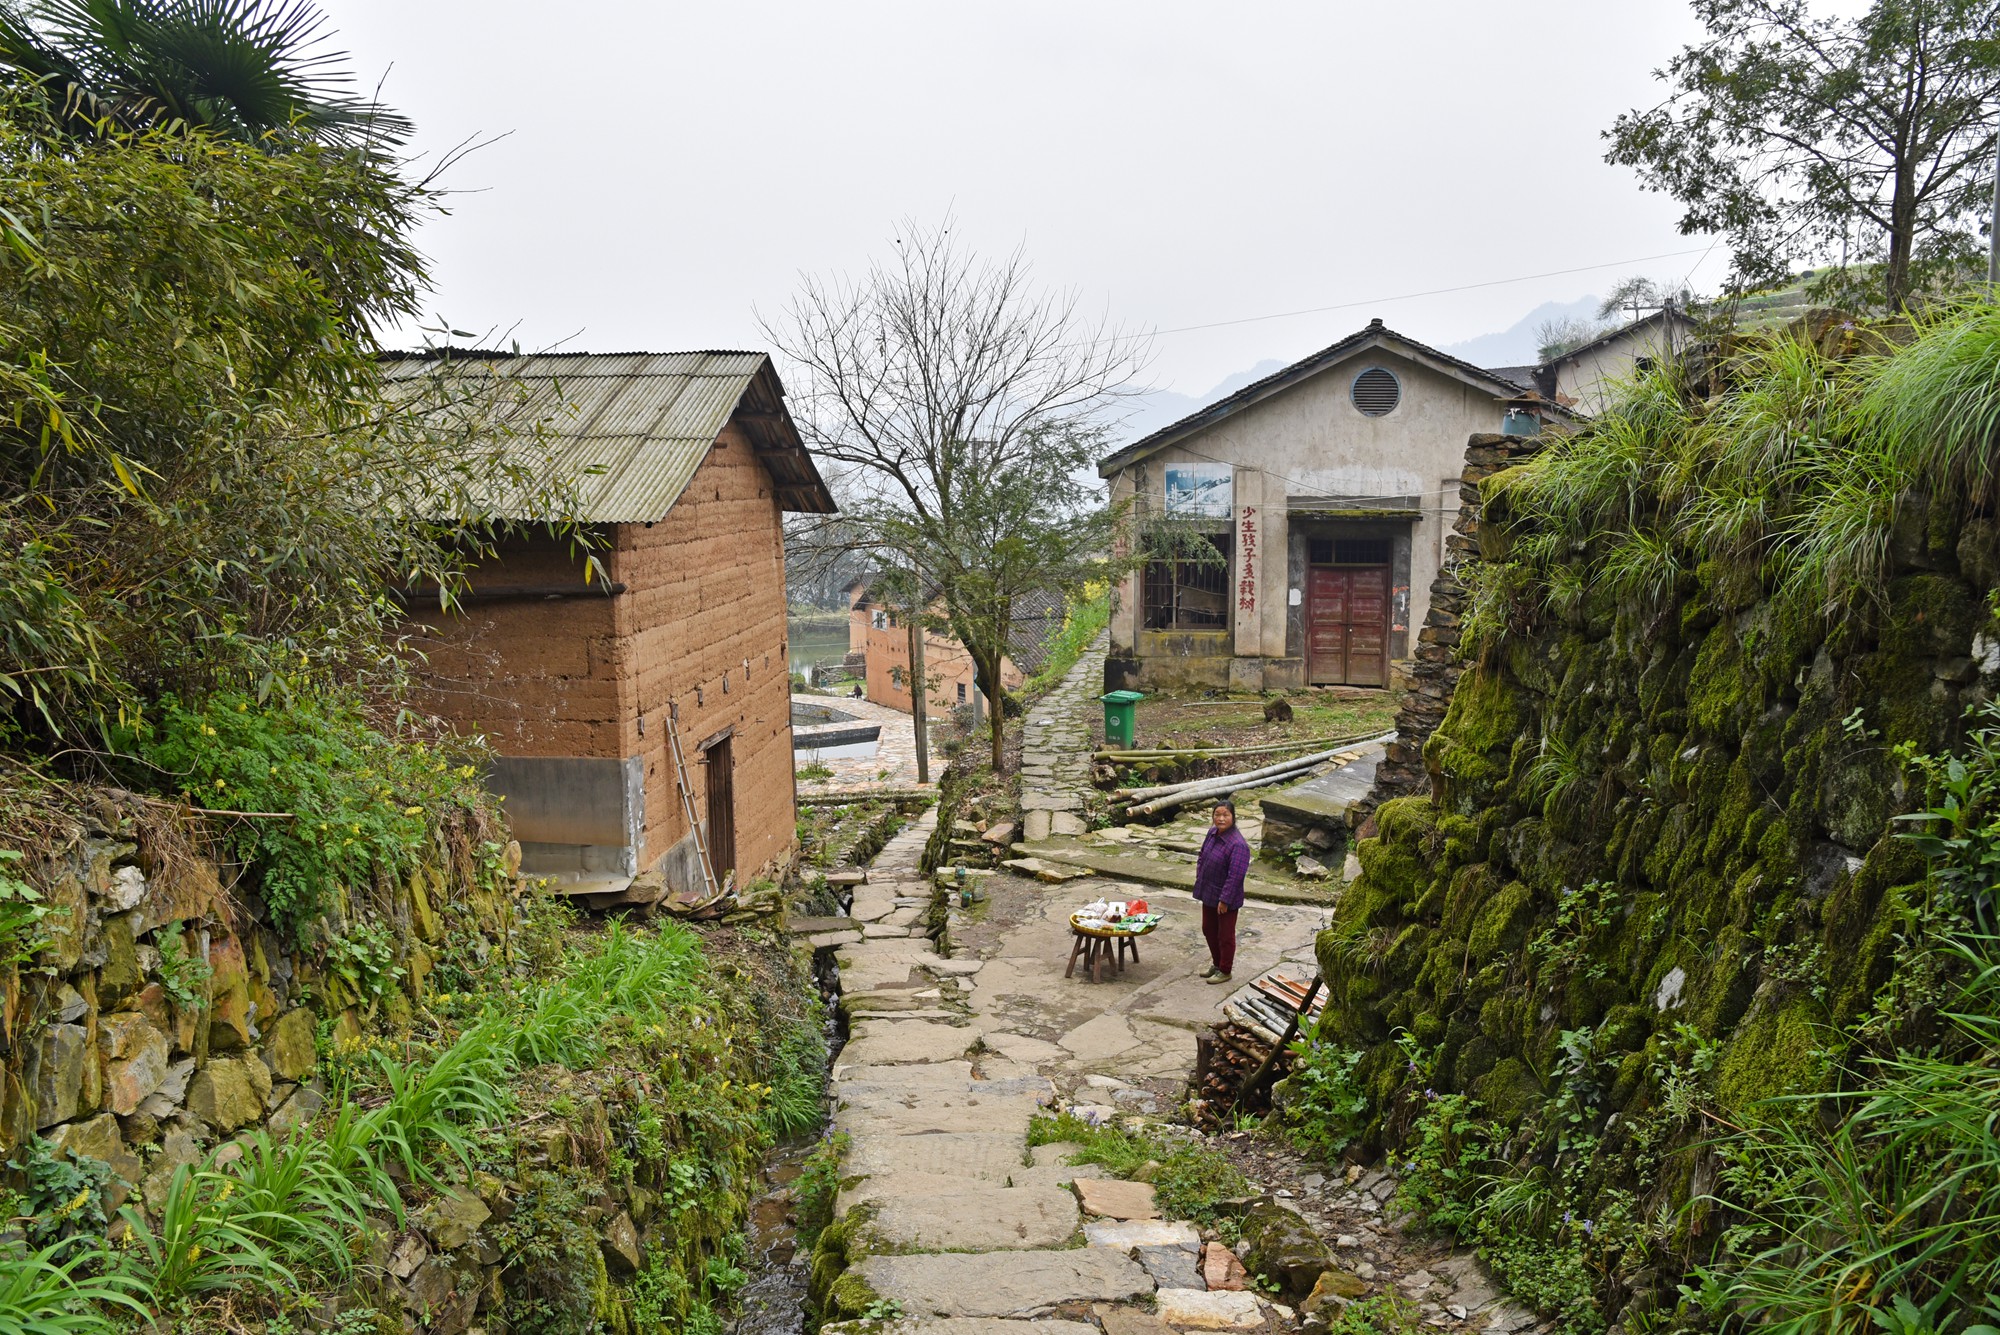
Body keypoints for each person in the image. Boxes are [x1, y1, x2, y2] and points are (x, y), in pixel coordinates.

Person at [1193, 798, 1250, 983]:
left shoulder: (1238, 844)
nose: (1221, 819)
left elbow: (1236, 876)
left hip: (1226, 897)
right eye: (1217, 814)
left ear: (1233, 817)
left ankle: (1225, 970)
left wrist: (1225, 900)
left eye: (1225, 815)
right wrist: (1200, 876)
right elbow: (1202, 856)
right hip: (1209, 891)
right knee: (1208, 929)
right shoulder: (1212, 833)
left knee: (1225, 935)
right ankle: (1217, 964)